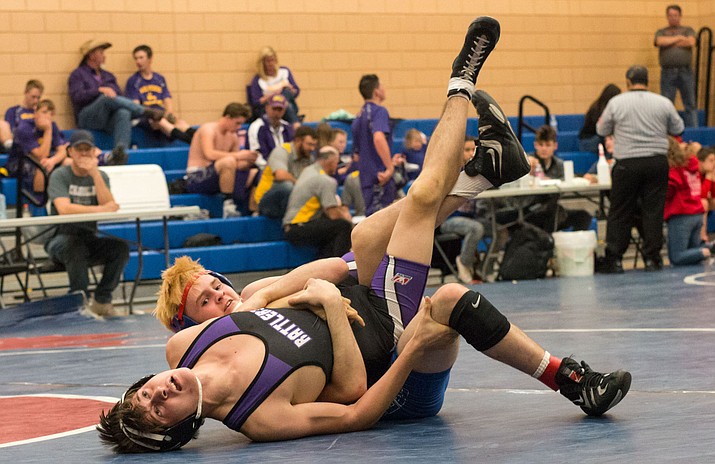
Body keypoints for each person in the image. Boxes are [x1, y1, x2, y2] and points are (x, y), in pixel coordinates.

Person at [97, 17, 631, 454]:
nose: (161, 390)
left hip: (368, 304)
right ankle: (462, 92)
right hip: (390, 358)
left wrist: (314, 286)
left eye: (148, 390)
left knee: (368, 232)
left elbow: (327, 272)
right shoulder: (259, 416)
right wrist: (334, 307)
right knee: (430, 245)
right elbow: (354, 399)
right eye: (158, 407)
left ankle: (485, 171)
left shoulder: (189, 342)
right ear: (176, 429)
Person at [596, 65, 684, 273]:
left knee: (620, 210)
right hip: (656, 161)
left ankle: (615, 259)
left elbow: (602, 129)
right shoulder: (663, 102)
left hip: (627, 162)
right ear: (647, 81)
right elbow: (678, 128)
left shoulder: (617, 102)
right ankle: (653, 258)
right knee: (653, 211)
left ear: (628, 81)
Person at [44, 130, 130, 317]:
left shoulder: (101, 176)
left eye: (87, 149)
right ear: (70, 152)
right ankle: (79, 302)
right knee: (74, 246)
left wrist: (95, 174)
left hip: (89, 238)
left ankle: (101, 301)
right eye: (79, 149)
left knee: (120, 249)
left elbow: (110, 204)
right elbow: (64, 209)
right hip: (60, 238)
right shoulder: (60, 175)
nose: (83, 153)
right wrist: (101, 209)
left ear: (94, 152)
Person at [68, 39, 163, 153]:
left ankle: (121, 152)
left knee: (123, 112)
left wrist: (109, 93)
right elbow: (77, 97)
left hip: (107, 118)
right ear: (92, 55)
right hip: (87, 117)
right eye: (101, 53)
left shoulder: (108, 76)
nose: (104, 56)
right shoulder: (78, 74)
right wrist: (99, 90)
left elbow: (118, 97)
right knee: (105, 98)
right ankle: (144, 111)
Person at [185, 102, 258, 218]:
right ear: (228, 118)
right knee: (228, 161)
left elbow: (236, 162)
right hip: (198, 176)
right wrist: (239, 155)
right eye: (237, 123)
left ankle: (255, 211)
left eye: (241, 124)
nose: (239, 127)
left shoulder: (233, 136)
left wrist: (248, 159)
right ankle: (228, 205)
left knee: (254, 171)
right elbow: (209, 154)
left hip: (220, 176)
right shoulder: (208, 130)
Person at [282, 145, 353, 259]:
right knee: (343, 226)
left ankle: (323, 264)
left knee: (330, 231)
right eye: (336, 162)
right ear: (330, 161)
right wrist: (350, 221)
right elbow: (333, 214)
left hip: (291, 226)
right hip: (298, 227)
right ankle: (342, 267)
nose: (337, 165)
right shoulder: (325, 180)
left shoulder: (308, 171)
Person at [523, 125, 593, 232]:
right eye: (541, 145)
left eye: (547, 145)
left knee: (583, 216)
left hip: (552, 208)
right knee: (554, 213)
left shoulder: (559, 164)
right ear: (535, 145)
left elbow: (567, 182)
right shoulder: (527, 162)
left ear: (555, 146)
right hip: (530, 210)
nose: (544, 149)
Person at [125, 44, 194, 144]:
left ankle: (198, 138)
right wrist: (153, 114)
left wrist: (170, 112)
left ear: (150, 59)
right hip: (146, 116)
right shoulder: (133, 81)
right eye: (136, 58)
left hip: (161, 113)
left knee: (181, 123)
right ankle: (190, 142)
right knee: (162, 122)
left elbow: (167, 97)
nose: (138, 61)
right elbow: (136, 106)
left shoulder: (159, 79)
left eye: (141, 58)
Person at [439, 137, 485, 283]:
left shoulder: (479, 171)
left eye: (474, 150)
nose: (471, 153)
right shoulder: (452, 173)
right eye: (467, 150)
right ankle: (464, 263)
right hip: (449, 219)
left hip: (471, 217)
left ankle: (486, 270)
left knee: (500, 230)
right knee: (476, 228)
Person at [351, 74, 396, 216]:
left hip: (366, 180)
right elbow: (378, 138)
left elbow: (356, 156)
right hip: (381, 178)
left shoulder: (358, 117)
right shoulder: (379, 111)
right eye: (382, 85)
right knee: (383, 225)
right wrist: (390, 167)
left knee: (372, 219)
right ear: (376, 91)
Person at [664, 137, 714, 265]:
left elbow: (669, 189)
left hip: (681, 215)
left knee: (677, 257)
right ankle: (707, 248)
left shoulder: (675, 169)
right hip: (696, 215)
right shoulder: (692, 166)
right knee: (692, 252)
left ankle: (708, 250)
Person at [6, 99, 70, 199]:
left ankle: (65, 197)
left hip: (44, 159)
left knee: (68, 162)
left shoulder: (53, 126)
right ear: (35, 112)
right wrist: (48, 130)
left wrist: (52, 161)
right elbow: (41, 155)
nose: (47, 117)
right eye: (44, 112)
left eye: (50, 114)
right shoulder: (24, 128)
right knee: (41, 167)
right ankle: (39, 202)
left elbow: (62, 151)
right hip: (18, 162)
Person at [253, 126, 317, 219]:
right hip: (267, 201)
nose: (312, 148)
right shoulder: (282, 151)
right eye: (309, 144)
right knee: (287, 186)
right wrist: (300, 185)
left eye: (314, 145)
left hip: (290, 201)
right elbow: (280, 175)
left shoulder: (308, 158)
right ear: (298, 140)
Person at [654, 4, 698, 128]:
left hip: (686, 71)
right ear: (667, 17)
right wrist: (678, 38)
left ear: (680, 16)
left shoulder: (688, 29)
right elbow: (659, 41)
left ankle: (694, 131)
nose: (673, 18)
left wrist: (669, 42)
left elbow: (691, 42)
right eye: (671, 15)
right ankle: (668, 131)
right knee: (667, 103)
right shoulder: (661, 31)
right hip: (668, 72)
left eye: (675, 15)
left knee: (690, 103)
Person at [247, 46, 301, 125]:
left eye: (272, 60)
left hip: (287, 101)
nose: (271, 63)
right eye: (268, 61)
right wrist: (274, 94)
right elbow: (256, 102)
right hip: (268, 107)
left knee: (286, 93)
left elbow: (296, 91)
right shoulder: (258, 79)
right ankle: (295, 125)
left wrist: (292, 90)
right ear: (262, 63)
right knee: (286, 105)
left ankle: (283, 106)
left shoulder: (284, 71)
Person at [247, 94, 294, 160]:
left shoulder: (288, 127)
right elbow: (255, 154)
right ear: (267, 108)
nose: (276, 113)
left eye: (280, 109)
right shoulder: (256, 126)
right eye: (274, 109)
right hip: (264, 167)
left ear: (284, 111)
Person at [0, 79, 44, 153]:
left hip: (35, 145)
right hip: (18, 142)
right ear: (26, 93)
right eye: (33, 97)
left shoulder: (41, 113)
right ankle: (12, 148)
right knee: (2, 124)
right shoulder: (13, 111)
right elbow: (11, 131)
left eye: (38, 98)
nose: (36, 101)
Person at [578, 84, 621, 153]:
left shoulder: (605, 108)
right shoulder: (597, 109)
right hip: (589, 140)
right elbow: (602, 131)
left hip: (597, 138)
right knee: (608, 141)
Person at [697, 146, 715, 242]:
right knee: (704, 203)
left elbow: (713, 195)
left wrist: (712, 177)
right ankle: (702, 237)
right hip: (686, 204)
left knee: (710, 202)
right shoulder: (696, 172)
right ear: (701, 162)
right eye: (711, 161)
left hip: (699, 201)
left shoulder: (708, 172)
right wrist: (708, 177)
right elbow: (702, 195)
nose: (714, 164)